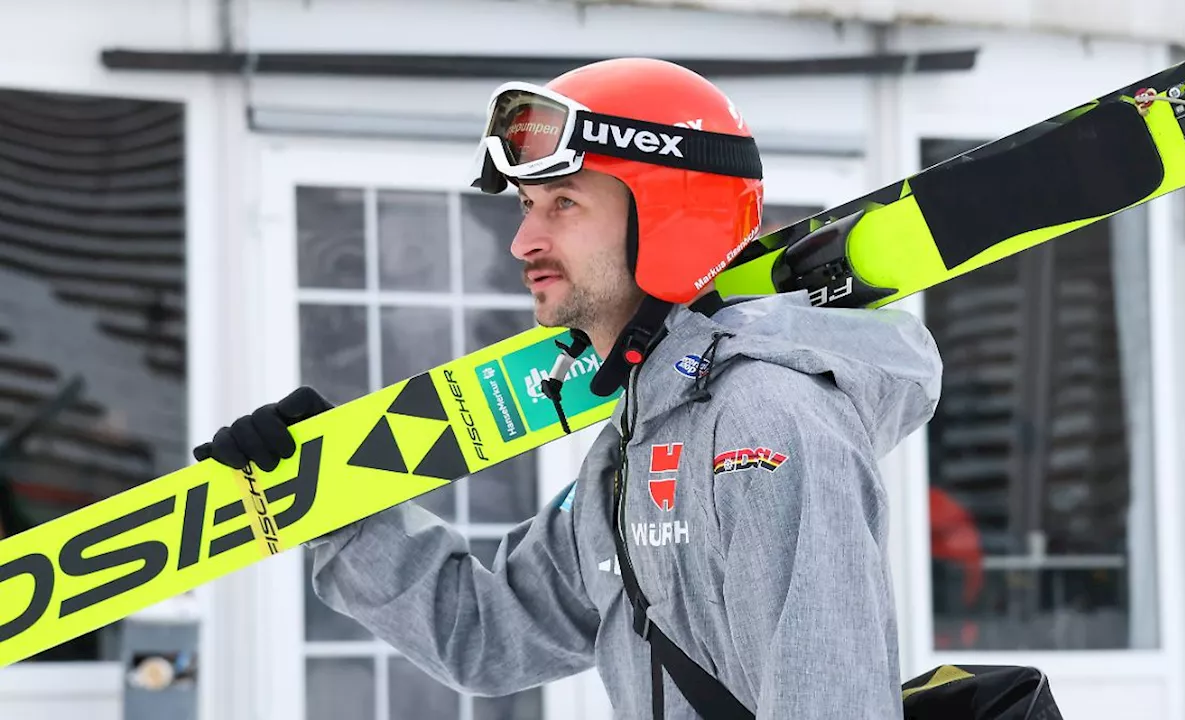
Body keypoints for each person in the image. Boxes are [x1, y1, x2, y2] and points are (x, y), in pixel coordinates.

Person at [195, 57, 943, 719]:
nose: (522, 242)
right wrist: (337, 504)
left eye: (563, 205)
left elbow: (828, 698)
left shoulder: (764, 424)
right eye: (526, 206)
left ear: (670, 219)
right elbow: (487, 638)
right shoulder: (630, 445)